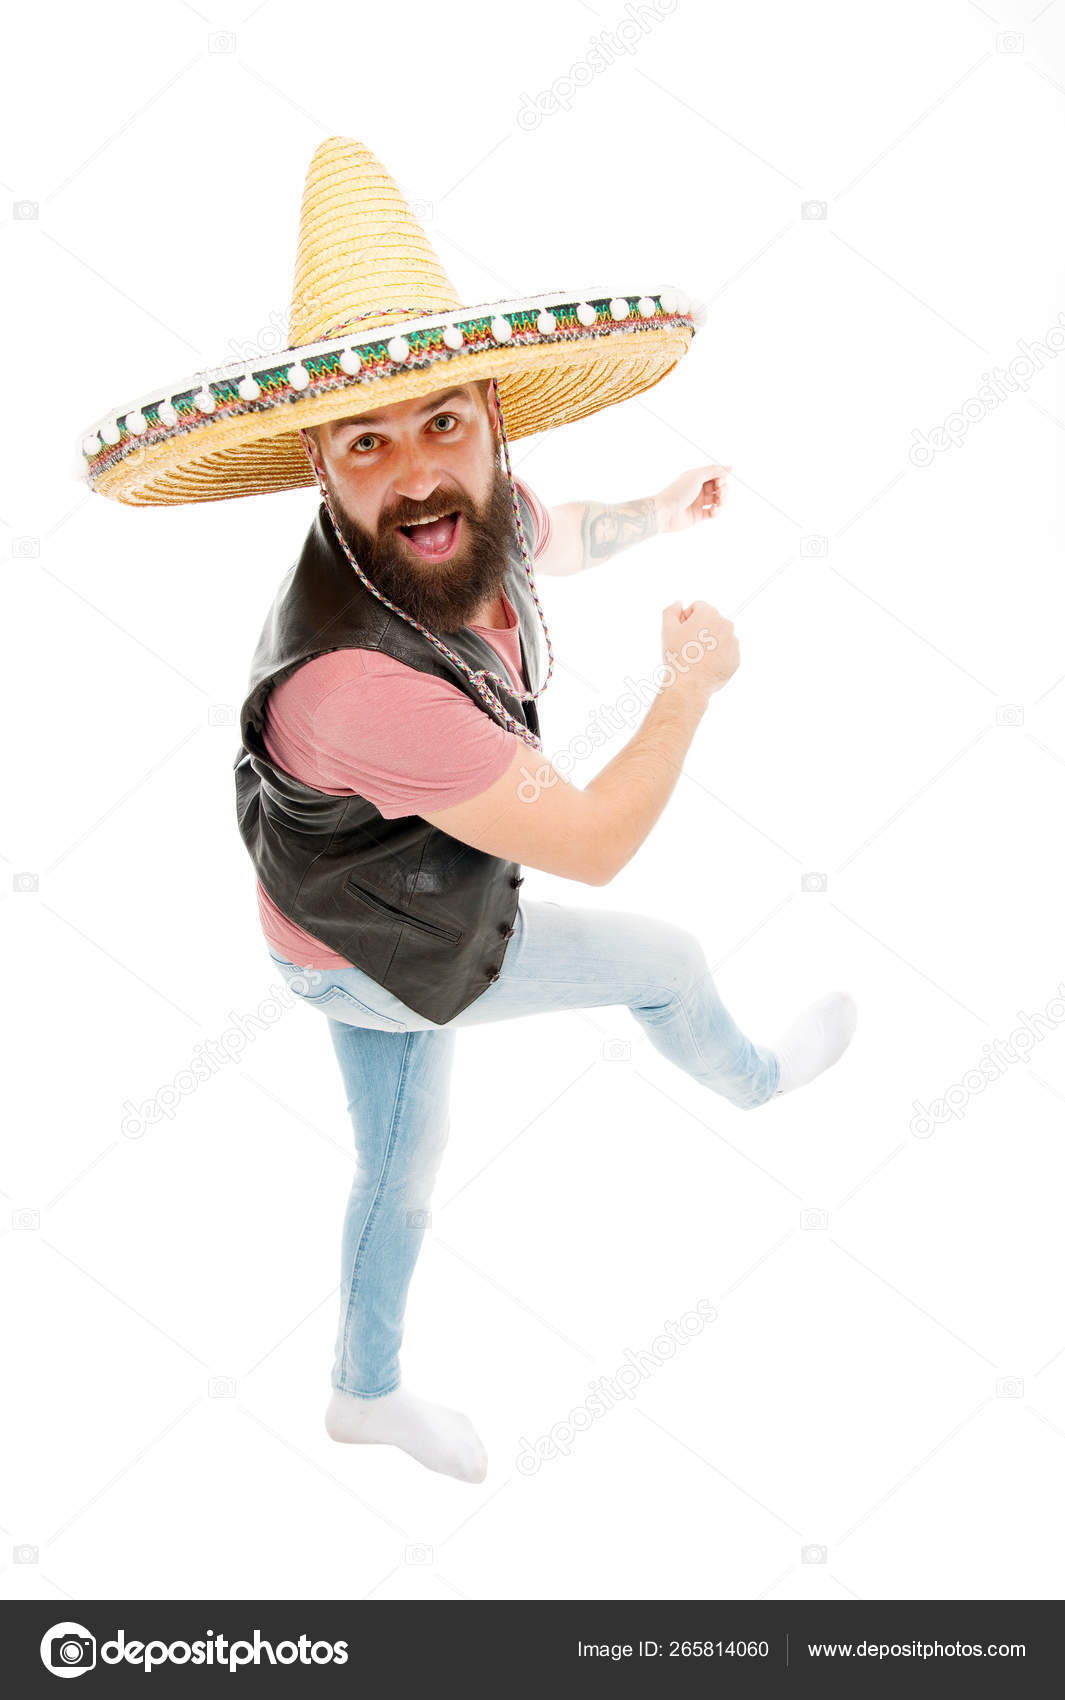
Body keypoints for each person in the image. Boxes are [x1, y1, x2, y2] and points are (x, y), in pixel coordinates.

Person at [80, 135, 856, 1487]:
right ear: (319, 468)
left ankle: (359, 1397)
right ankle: (759, 1083)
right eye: (366, 442)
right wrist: (687, 683)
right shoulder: (361, 688)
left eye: (444, 421)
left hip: (346, 923)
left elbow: (543, 540)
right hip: (379, 953)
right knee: (662, 964)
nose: (418, 468)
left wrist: (662, 512)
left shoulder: (461, 510)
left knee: (401, 1162)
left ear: (494, 420)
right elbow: (600, 840)